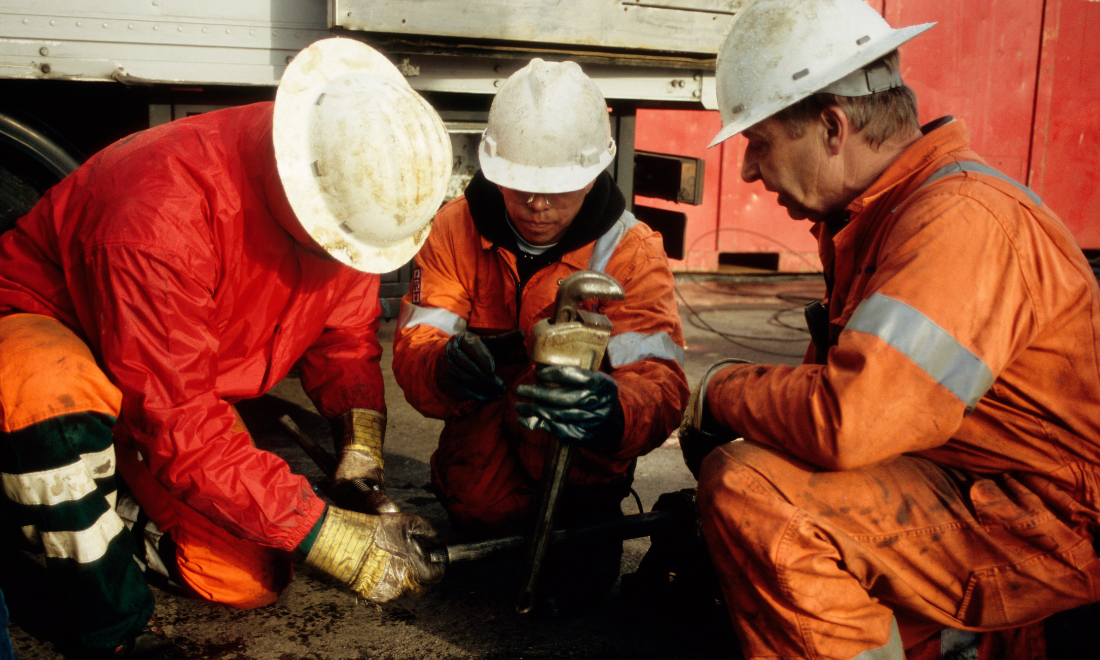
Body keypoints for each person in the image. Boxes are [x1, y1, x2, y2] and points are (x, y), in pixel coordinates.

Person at [0, 38, 451, 659]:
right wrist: (331, 539)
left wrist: (360, 453)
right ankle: (101, 621)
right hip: (57, 334)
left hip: (164, 376)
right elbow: (179, 419)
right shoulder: (159, 218)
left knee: (247, 575)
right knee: (40, 392)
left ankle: (101, 503)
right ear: (301, 187)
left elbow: (344, 338)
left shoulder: (344, 192)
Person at [678, 1, 1100, 659]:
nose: (750, 172)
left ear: (832, 126)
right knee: (745, 492)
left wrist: (714, 390)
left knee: (755, 494)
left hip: (1043, 528)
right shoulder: (881, 220)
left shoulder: (959, 221)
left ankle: (1008, 637)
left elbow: (851, 423)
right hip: (970, 489)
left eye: (758, 143)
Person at [392, 58, 689, 615]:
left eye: (559, 189)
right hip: (478, 468)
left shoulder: (632, 251)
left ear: (594, 172)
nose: (537, 205)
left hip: (579, 470)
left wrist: (615, 413)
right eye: (522, 186)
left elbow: (660, 381)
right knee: (478, 519)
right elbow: (418, 343)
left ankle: (583, 522)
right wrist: (441, 366)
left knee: (581, 579)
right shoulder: (454, 228)